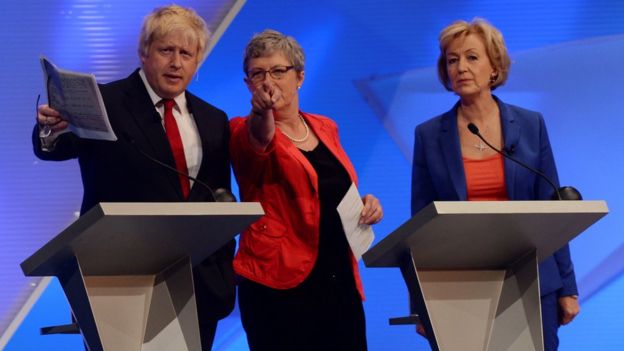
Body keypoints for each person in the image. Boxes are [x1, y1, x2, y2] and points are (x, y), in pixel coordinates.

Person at [33, 5, 233, 350]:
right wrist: (48, 130)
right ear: (144, 52)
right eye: (166, 50)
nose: (176, 62)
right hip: (120, 283)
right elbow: (59, 145)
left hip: (198, 283)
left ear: (198, 60)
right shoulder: (106, 102)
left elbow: (218, 198)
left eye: (186, 53)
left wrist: (221, 270)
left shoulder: (214, 119)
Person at [410, 18, 579, 350]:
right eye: (452, 59)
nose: (461, 67)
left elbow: (552, 209)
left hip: (534, 281)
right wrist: (419, 303)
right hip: (460, 287)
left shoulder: (531, 125)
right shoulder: (429, 136)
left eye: (472, 57)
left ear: (494, 66)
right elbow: (421, 225)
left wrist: (568, 287)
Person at [229, 29, 383, 351]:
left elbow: (335, 187)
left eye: (277, 71)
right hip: (278, 284)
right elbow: (261, 140)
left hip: (339, 278)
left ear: (299, 76)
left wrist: (365, 203)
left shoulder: (325, 126)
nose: (267, 81)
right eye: (257, 73)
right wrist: (261, 111)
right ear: (248, 84)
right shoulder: (244, 129)